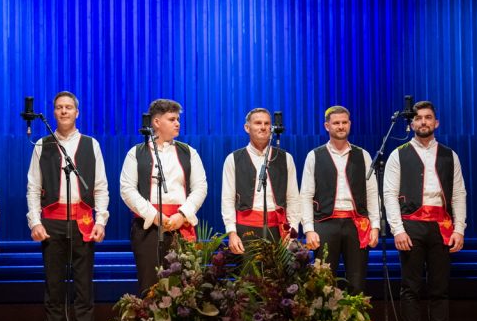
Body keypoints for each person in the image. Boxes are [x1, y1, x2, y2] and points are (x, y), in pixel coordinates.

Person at [26, 91, 109, 321]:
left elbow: (100, 187)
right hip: (52, 221)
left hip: (83, 220)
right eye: (59, 107)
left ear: (77, 112)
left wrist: (101, 220)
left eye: (69, 107)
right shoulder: (42, 144)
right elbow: (33, 187)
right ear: (54, 113)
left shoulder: (91, 144)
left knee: (84, 287)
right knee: (54, 287)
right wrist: (35, 221)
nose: (64, 111)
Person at [383, 101, 466, 321]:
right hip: (411, 225)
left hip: (441, 225)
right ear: (411, 123)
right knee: (410, 287)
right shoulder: (399, 154)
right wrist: (397, 229)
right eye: (418, 118)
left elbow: (459, 193)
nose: (423, 122)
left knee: (440, 288)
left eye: (428, 117)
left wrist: (459, 229)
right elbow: (389, 194)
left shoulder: (449, 155)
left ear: (436, 122)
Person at [120, 99, 208, 291]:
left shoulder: (189, 152)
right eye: (172, 119)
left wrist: (182, 214)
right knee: (150, 285)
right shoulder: (136, 153)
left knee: (183, 286)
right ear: (157, 122)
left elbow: (200, 187)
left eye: (178, 119)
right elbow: (127, 189)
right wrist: (154, 215)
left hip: (180, 224)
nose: (177, 123)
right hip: (148, 226)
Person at [300, 105, 380, 293]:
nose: (341, 126)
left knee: (357, 282)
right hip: (325, 223)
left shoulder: (363, 155)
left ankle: (357, 313)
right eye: (336, 123)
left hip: (356, 223)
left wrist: (375, 226)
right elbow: (306, 195)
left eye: (344, 122)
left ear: (349, 124)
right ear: (327, 126)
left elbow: (372, 192)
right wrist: (309, 229)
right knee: (323, 284)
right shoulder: (314, 156)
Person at [221, 108, 301, 254]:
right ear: (247, 128)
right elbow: (227, 199)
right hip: (245, 228)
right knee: (249, 269)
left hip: (279, 228)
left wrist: (293, 230)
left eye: (267, 123)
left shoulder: (286, 158)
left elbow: (293, 198)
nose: (263, 127)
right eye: (258, 123)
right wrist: (231, 232)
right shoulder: (233, 159)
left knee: (279, 269)